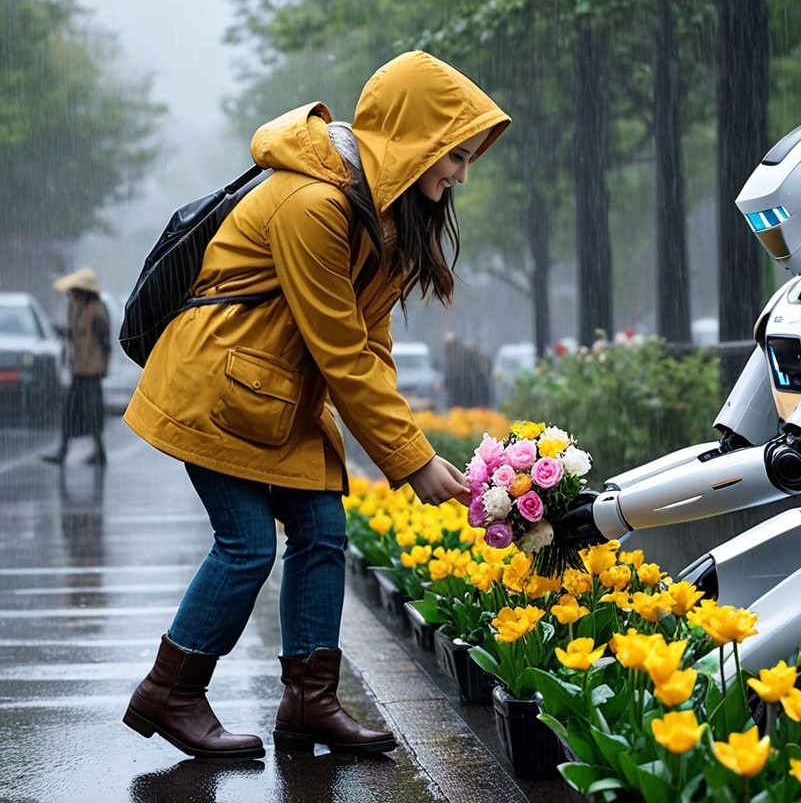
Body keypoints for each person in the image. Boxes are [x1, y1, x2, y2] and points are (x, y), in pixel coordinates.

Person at [120, 51, 510, 760]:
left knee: (323, 531)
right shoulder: (315, 204)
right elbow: (341, 351)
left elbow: (371, 346)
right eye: (454, 153)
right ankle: (170, 691)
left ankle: (309, 700)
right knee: (245, 547)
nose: (460, 172)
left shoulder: (380, 214)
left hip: (273, 396)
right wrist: (411, 462)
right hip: (216, 388)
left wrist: (411, 450)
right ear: (414, 136)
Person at [42, 267, 111, 467]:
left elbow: (103, 340)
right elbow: (75, 334)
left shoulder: (96, 309)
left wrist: (101, 363)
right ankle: (65, 451)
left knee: (92, 412)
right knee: (70, 411)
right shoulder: (75, 307)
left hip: (92, 372)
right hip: (78, 369)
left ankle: (100, 453)